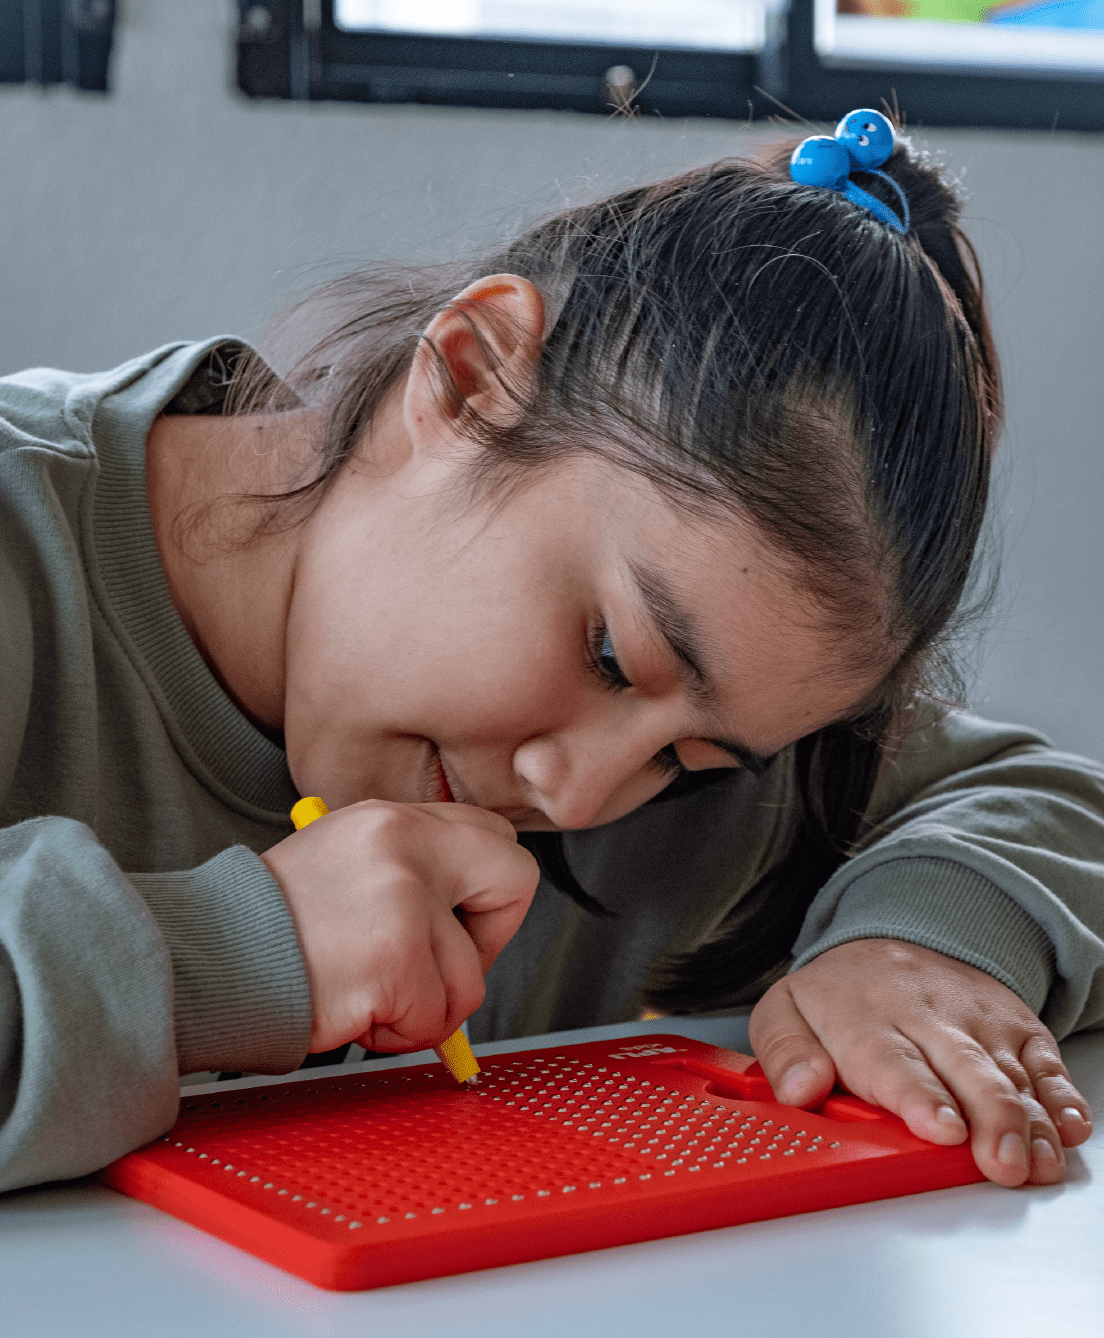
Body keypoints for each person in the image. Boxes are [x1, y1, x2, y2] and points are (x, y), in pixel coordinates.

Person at [0, 113, 1096, 1200]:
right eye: (612, 654)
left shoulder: (679, 754)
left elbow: (1039, 799)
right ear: (471, 373)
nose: (579, 797)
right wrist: (221, 960)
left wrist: (927, 944)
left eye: (697, 760)